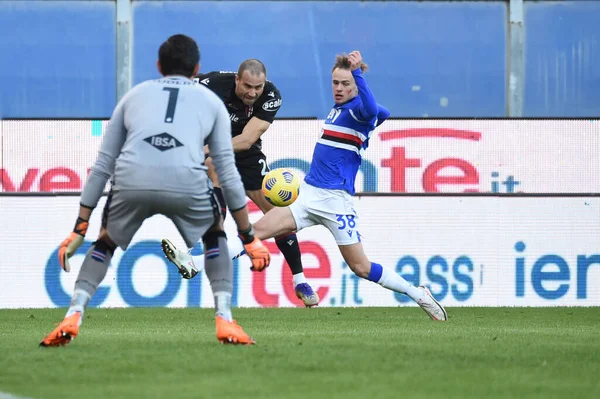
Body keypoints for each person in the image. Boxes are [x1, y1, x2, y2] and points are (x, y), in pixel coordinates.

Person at [159, 51, 447, 320]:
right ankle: (194, 264)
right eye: (335, 82)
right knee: (254, 232)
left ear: (357, 85)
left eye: (345, 83)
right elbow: (381, 113)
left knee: (361, 267)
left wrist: (360, 79)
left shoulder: (360, 111)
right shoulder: (340, 109)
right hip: (310, 195)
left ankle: (416, 293)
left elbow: (373, 109)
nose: (338, 88)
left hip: (336, 202)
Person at [39, 34, 271, 347]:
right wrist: (248, 237)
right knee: (215, 234)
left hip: (132, 178)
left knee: (105, 242)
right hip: (186, 181)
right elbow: (227, 172)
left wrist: (80, 226)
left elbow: (104, 164)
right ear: (197, 68)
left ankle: (74, 312)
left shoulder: (133, 96)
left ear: (159, 65)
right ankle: (225, 319)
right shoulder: (212, 103)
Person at [161, 60, 319, 307]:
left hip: (246, 154)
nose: (253, 93)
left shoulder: (271, 95)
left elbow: (246, 140)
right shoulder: (211, 84)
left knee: (278, 216)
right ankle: (210, 250)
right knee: (215, 166)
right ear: (237, 79)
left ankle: (300, 280)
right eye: (247, 86)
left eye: (257, 87)